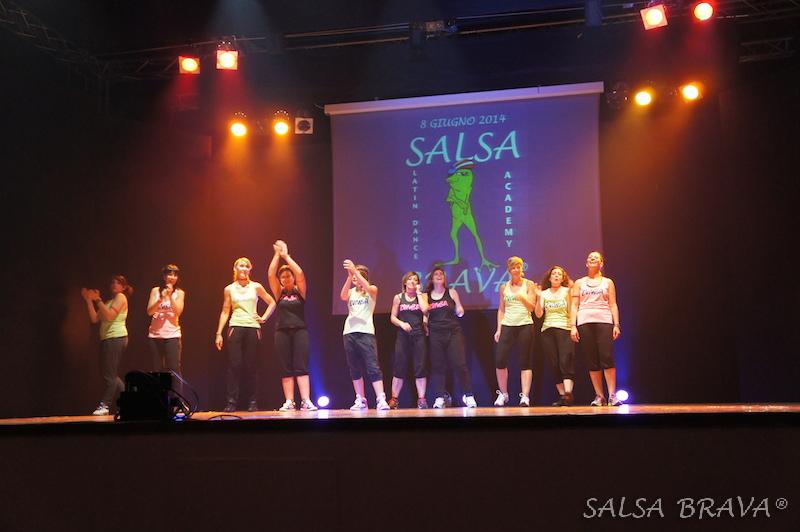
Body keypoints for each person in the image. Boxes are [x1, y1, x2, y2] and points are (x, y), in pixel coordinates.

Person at [215, 257, 276, 412]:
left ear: (250, 269)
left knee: (251, 366)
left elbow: (272, 302)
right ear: (235, 269)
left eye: (246, 266)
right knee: (234, 365)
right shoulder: (229, 289)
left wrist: (263, 318)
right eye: (240, 266)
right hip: (235, 326)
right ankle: (231, 402)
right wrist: (219, 333)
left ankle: (252, 401)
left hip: (252, 327)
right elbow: (225, 310)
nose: (243, 268)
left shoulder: (256, 286)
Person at [267, 240, 317, 411]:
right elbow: (270, 274)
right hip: (281, 332)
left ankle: (306, 400)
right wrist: (276, 255)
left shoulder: (300, 291)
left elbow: (300, 273)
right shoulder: (278, 293)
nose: (286, 278)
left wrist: (286, 256)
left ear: (293, 278)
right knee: (286, 367)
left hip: (300, 331)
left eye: (288, 276)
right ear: (280, 280)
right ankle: (289, 401)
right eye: (283, 277)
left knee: (301, 365)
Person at [570, 251, 622, 406]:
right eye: (589, 258)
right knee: (592, 360)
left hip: (604, 320)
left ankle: (612, 395)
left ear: (601, 263)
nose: (592, 258)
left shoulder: (608, 282)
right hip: (584, 321)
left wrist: (616, 324)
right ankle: (599, 396)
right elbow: (574, 305)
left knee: (607, 357)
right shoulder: (579, 283)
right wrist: (573, 326)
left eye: (596, 258)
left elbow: (613, 304)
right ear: (586, 263)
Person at [340, 259, 389, 410]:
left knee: (372, 366)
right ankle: (360, 399)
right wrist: (349, 277)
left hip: (366, 332)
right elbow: (343, 296)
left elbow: (369, 288)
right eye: (354, 275)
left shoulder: (371, 290)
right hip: (349, 332)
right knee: (354, 368)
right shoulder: (351, 292)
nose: (355, 277)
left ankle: (381, 398)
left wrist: (354, 270)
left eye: (358, 275)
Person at [81, 275, 133, 416]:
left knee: (110, 375)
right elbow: (94, 319)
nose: (114, 284)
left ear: (123, 287)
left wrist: (97, 299)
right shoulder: (109, 301)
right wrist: (89, 300)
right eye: (113, 282)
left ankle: (105, 405)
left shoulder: (121, 297)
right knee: (111, 375)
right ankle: (131, 401)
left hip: (116, 337)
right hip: (107, 339)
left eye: (118, 283)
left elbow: (110, 316)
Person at [426, 266, 477, 408]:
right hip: (435, 333)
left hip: (453, 332)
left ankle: (468, 395)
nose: (439, 276)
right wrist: (425, 325)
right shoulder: (426, 295)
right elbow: (425, 314)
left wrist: (460, 310)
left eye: (441, 274)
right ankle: (439, 397)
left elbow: (459, 308)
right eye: (436, 274)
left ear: (444, 278)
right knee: (438, 366)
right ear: (431, 278)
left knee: (460, 364)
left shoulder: (451, 292)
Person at [494, 256, 537, 407]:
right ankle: (503, 394)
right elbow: (501, 309)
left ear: (522, 268)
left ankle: (525, 396)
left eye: (518, 267)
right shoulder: (504, 287)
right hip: (507, 324)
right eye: (513, 267)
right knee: (500, 360)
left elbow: (532, 307)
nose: (516, 270)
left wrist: (522, 297)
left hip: (525, 324)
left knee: (525, 361)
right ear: (509, 270)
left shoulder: (529, 284)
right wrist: (499, 329)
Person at [535, 266, 574, 406]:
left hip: (564, 328)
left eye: (559, 274)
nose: (556, 276)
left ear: (563, 278)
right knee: (553, 363)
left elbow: (571, 310)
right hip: (547, 330)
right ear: (550, 278)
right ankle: (563, 396)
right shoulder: (544, 293)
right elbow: (538, 314)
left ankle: (568, 393)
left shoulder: (567, 291)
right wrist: (538, 297)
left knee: (565, 360)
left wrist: (573, 327)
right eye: (554, 274)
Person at [388, 271, 429, 409]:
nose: (413, 281)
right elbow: (392, 317)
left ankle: (421, 399)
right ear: (405, 282)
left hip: (419, 335)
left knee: (420, 367)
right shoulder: (398, 297)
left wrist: (419, 293)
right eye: (410, 279)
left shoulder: (422, 296)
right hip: (403, 336)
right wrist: (402, 324)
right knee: (399, 366)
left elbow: (425, 310)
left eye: (415, 280)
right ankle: (394, 399)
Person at [146, 264, 185, 380]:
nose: (172, 277)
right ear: (164, 276)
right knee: (157, 369)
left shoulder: (180, 293)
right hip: (155, 335)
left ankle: (176, 392)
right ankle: (159, 392)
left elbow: (178, 312)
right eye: (170, 274)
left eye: (175, 275)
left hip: (172, 335)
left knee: (174, 369)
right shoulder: (155, 291)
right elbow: (149, 311)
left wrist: (170, 296)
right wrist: (161, 299)